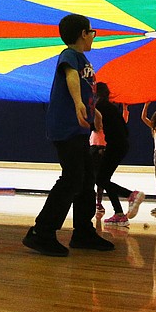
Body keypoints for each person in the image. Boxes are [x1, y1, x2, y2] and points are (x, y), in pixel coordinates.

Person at [22, 13, 114, 256]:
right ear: (84, 33)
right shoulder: (70, 56)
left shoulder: (83, 60)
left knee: (86, 180)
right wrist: (77, 104)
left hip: (79, 129)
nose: (94, 36)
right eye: (92, 32)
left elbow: (86, 90)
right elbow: (71, 77)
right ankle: (41, 232)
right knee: (73, 178)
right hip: (65, 126)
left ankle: (83, 232)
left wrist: (94, 113)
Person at [95, 82, 144, 226]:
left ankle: (131, 195)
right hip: (121, 145)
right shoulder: (112, 107)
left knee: (101, 179)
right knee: (105, 179)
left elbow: (94, 126)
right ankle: (119, 214)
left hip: (115, 145)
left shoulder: (99, 107)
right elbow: (125, 129)